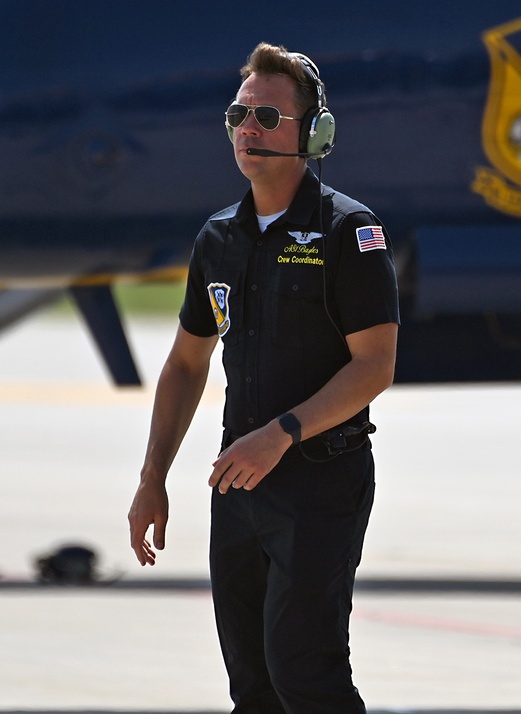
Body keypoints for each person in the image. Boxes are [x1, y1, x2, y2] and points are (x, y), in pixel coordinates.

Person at [127, 43, 398, 713]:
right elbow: (187, 361)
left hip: (319, 481)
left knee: (306, 676)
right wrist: (152, 476)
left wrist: (281, 434)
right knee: (253, 689)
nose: (247, 129)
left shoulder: (348, 232)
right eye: (238, 114)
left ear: (314, 134)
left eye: (267, 116)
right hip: (239, 489)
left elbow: (375, 367)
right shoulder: (218, 237)